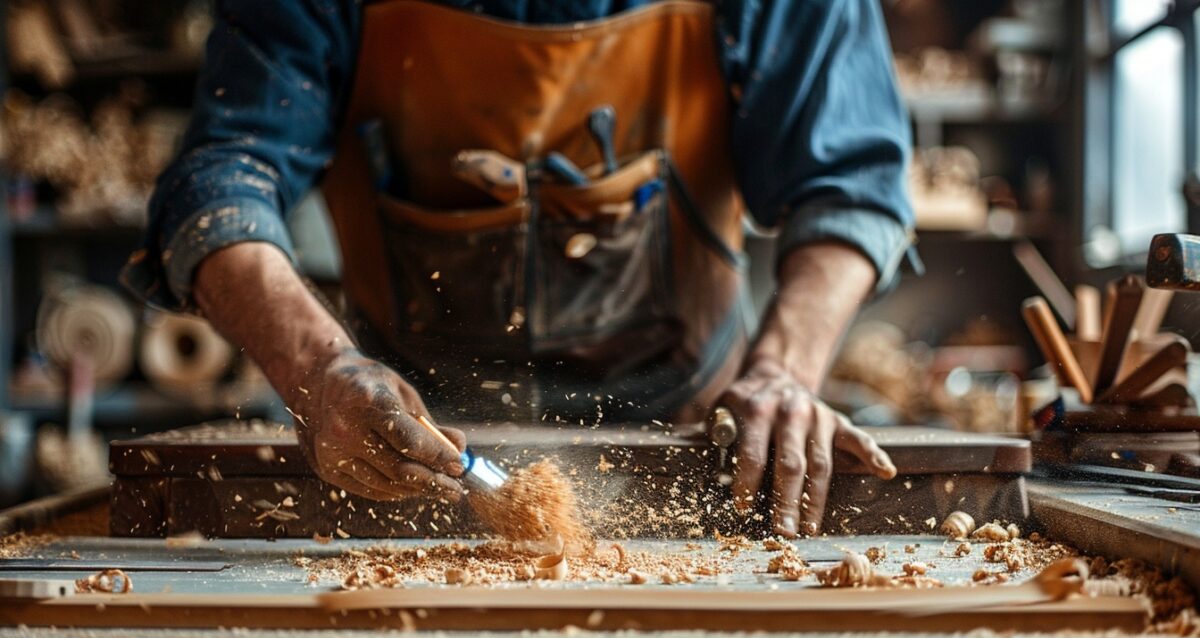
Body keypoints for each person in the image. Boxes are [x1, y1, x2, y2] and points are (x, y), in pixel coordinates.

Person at [124, 0, 915, 537]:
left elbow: (851, 191)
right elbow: (222, 180)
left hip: (694, 442)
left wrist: (783, 370)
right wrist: (316, 366)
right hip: (401, 448)